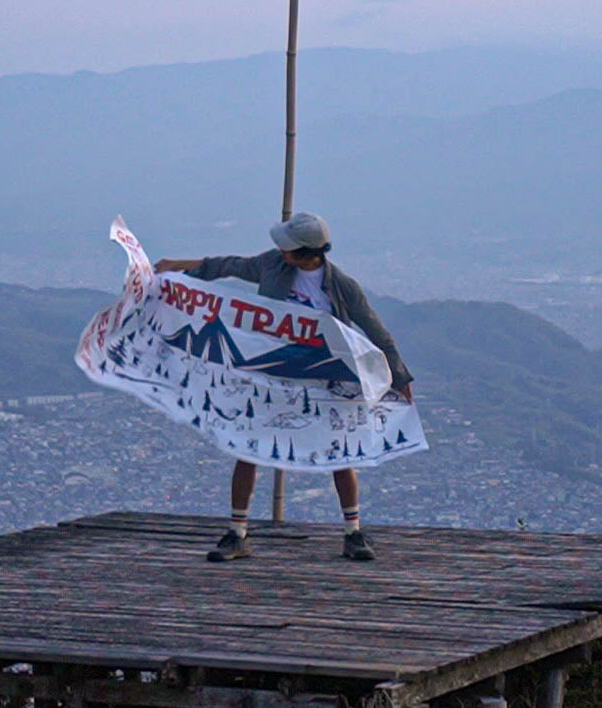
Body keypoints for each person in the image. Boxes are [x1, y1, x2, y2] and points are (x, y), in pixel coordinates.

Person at [154, 212, 413, 563]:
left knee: (341, 452)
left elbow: (375, 330)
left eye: (288, 248)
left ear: (308, 252)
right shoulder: (272, 266)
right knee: (247, 446)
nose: (281, 251)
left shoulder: (342, 287)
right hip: (273, 371)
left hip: (324, 375)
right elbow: (227, 266)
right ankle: (237, 532)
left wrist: (400, 377)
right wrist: (176, 268)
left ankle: (353, 533)